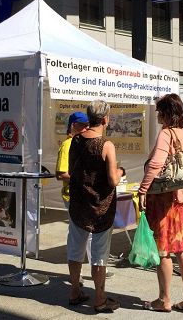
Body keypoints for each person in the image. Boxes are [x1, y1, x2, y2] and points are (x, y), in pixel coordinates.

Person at [138, 93, 183, 314]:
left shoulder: (166, 134)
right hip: (182, 198)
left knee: (164, 251)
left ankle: (164, 300)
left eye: (159, 112)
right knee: (182, 249)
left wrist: (143, 189)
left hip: (165, 200)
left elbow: (156, 164)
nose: (157, 116)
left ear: (166, 113)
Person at [67, 100, 125, 313]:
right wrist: (121, 171)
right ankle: (99, 299)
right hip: (101, 207)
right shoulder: (106, 145)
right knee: (99, 253)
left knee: (75, 249)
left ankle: (74, 291)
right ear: (105, 119)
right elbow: (112, 180)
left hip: (78, 204)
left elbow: (72, 171)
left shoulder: (75, 141)